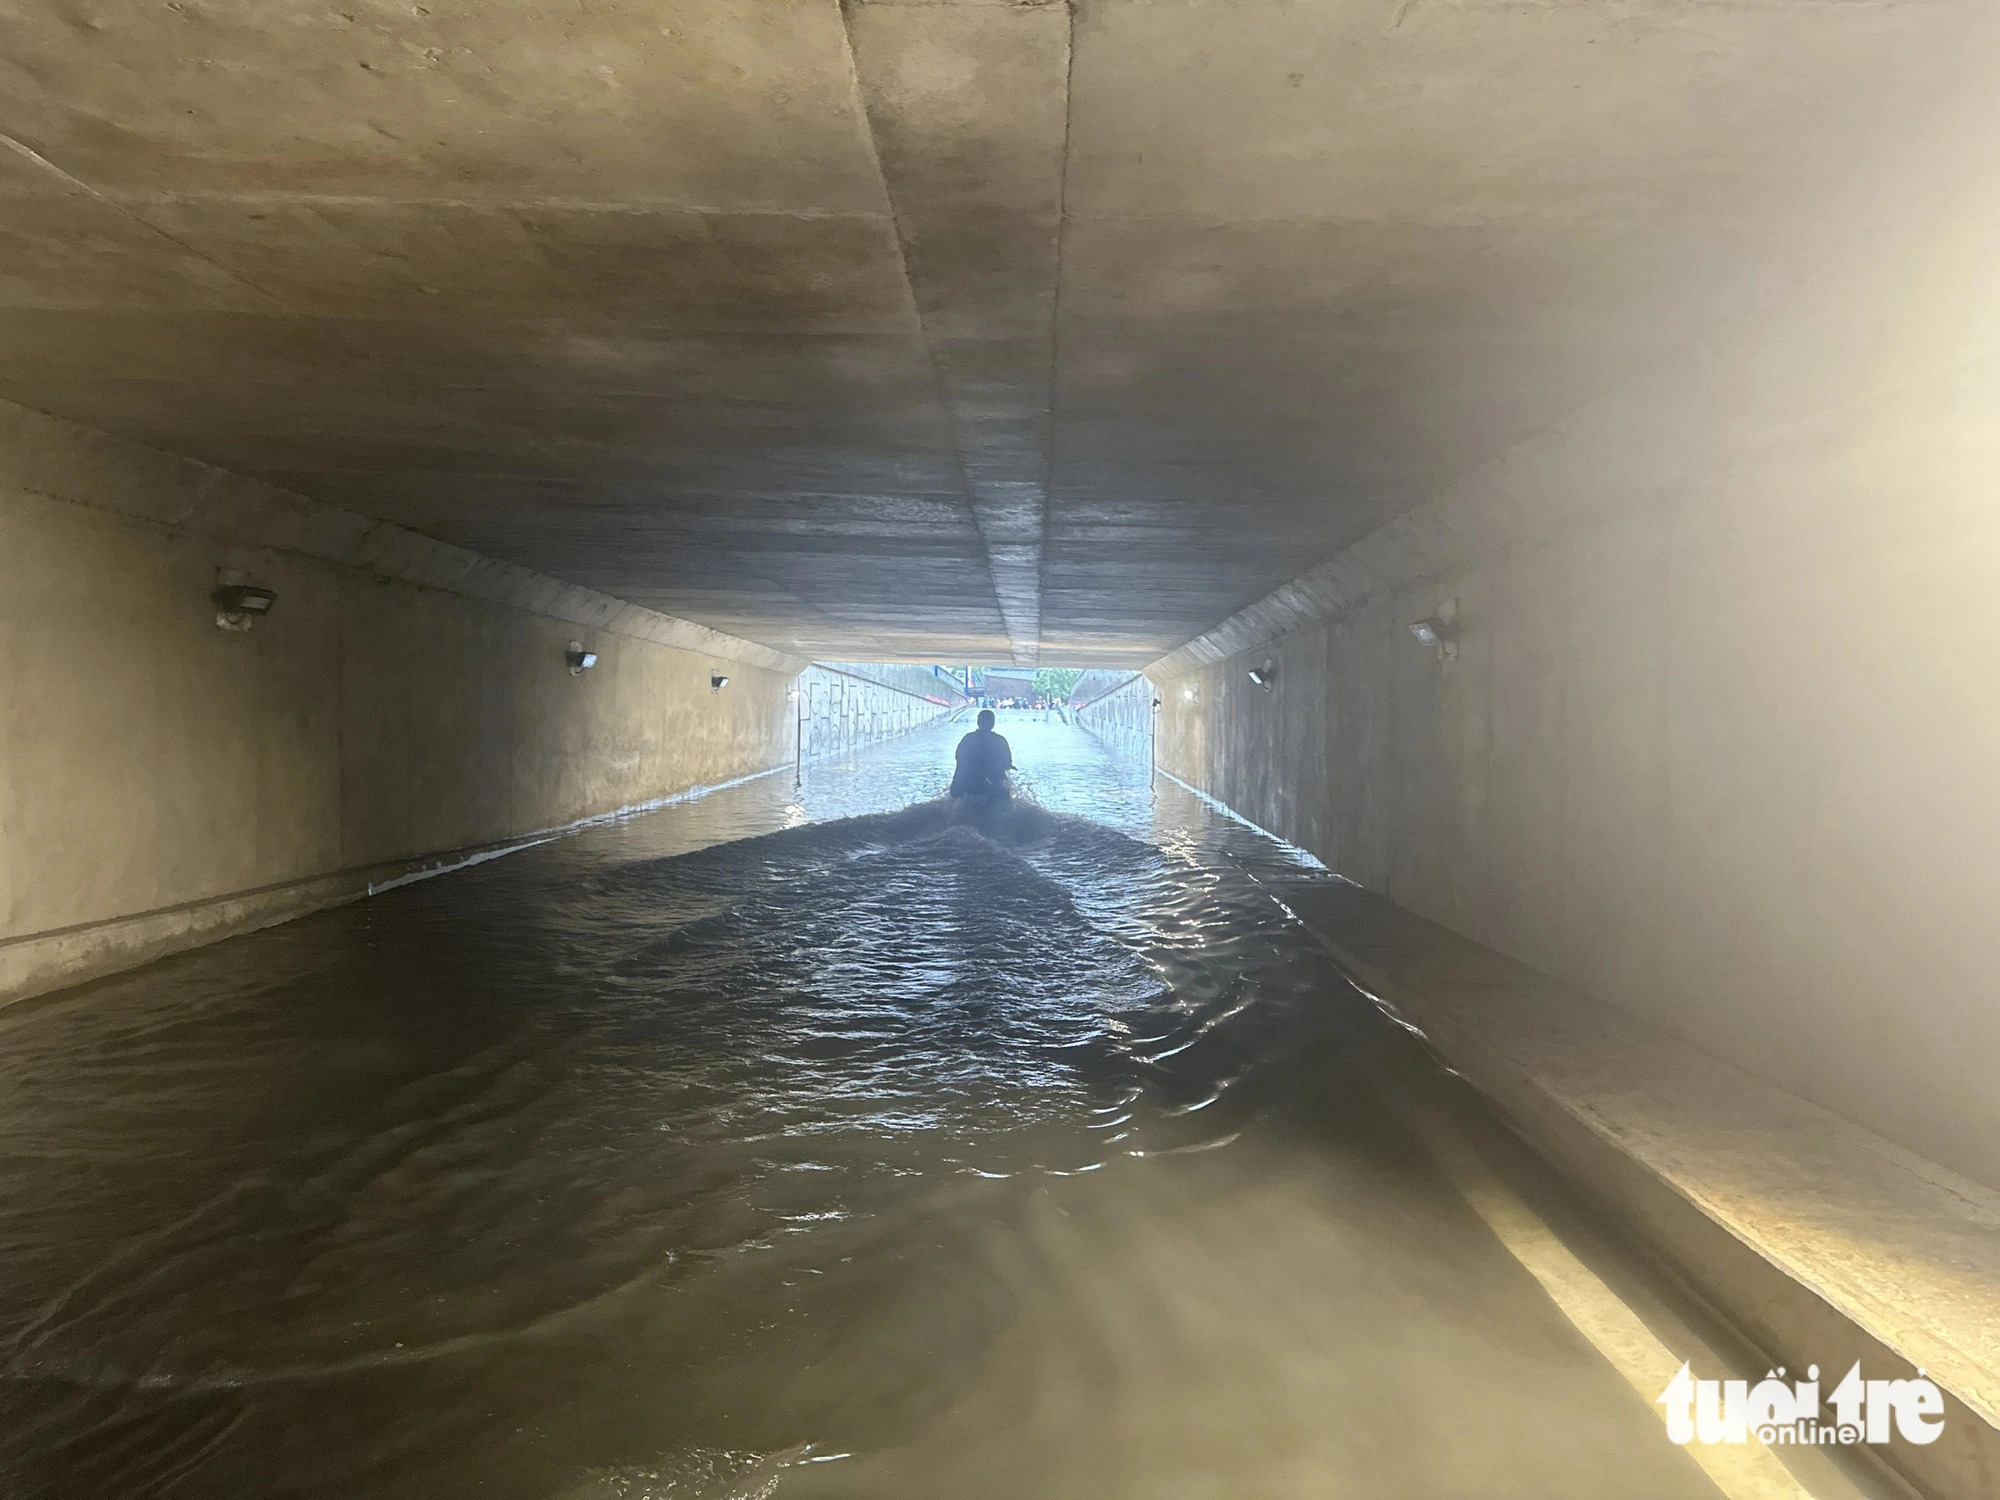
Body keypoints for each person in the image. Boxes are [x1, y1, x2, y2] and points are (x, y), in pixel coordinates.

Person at [949, 709, 1013, 800]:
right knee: (1006, 796)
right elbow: (1007, 763)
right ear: (993, 723)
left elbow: (959, 758)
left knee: (954, 795)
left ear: (978, 722)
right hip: (994, 785)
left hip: (967, 784)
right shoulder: (1000, 740)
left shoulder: (968, 738)